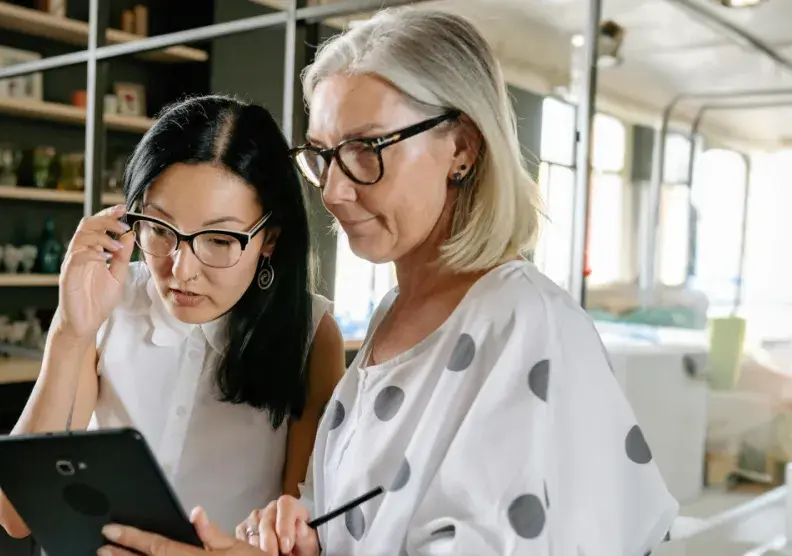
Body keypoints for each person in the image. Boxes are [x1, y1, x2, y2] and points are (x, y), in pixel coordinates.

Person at [97, 7, 678, 556]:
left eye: (367, 149)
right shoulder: (393, 317)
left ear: (463, 147)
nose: (332, 191)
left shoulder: (523, 320)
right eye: (323, 155)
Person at [0, 95, 345, 539]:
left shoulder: (310, 336)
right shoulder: (112, 300)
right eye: (159, 230)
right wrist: (69, 330)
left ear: (269, 238)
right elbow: (16, 516)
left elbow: (296, 535)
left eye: (218, 239)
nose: (182, 270)